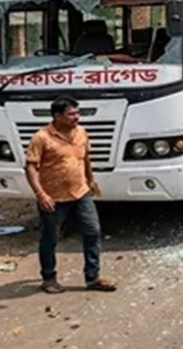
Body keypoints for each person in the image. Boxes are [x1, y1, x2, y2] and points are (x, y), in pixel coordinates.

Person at [25, 97, 117, 294]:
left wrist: (91, 180)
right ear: (57, 116)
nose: (77, 117)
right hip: (53, 198)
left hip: (81, 193)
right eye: (72, 114)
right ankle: (48, 278)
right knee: (50, 238)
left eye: (77, 113)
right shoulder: (41, 138)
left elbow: (85, 158)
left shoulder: (81, 132)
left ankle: (93, 277)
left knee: (92, 232)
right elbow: (31, 167)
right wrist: (40, 194)